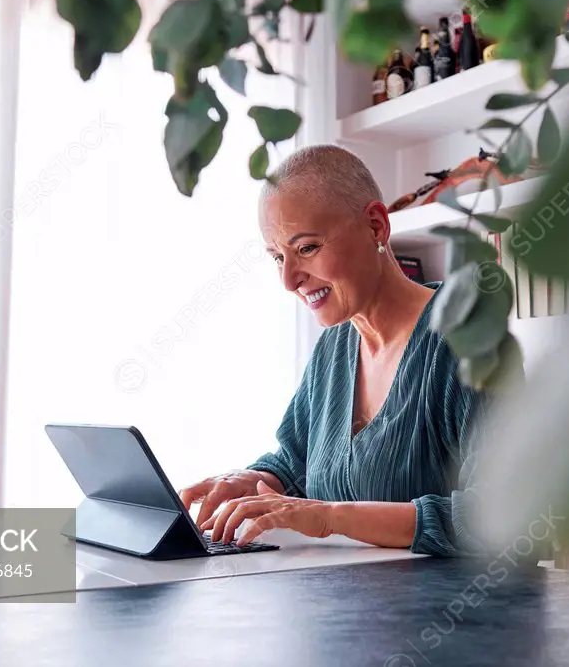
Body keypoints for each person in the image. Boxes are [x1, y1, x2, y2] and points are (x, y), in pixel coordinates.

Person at [179, 145, 493, 557]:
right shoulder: (334, 346)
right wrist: (253, 481)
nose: (289, 280)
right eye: (277, 257)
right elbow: (296, 464)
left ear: (377, 227)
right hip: (342, 609)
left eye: (306, 248)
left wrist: (329, 517)